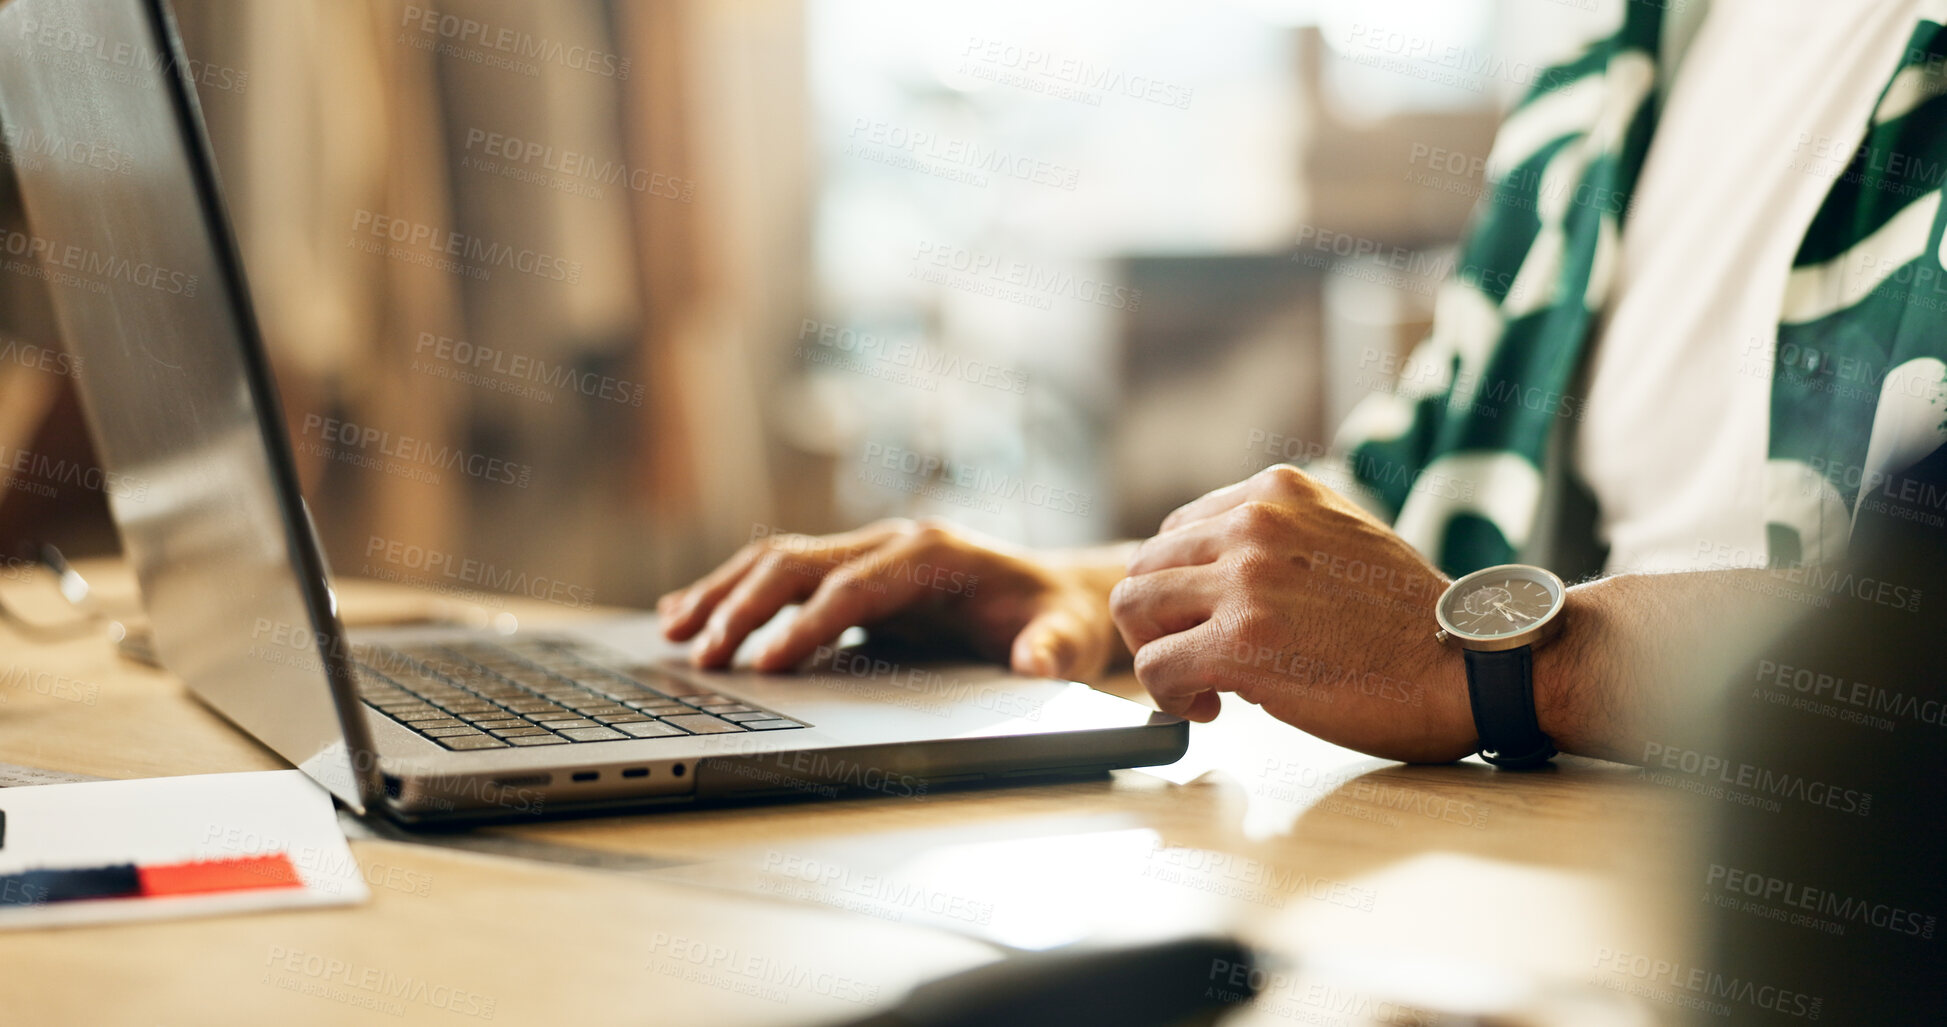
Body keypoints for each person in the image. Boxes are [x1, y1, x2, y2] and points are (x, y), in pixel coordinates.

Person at [658, 0, 1947, 766]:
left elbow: (1435, 623)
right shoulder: (1619, 62)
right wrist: (1108, 588)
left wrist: (1507, 670)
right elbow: (1408, 499)